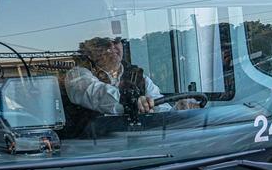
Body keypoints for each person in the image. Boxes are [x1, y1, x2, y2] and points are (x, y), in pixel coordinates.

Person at [64, 36, 199, 117]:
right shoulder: (77, 75)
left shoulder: (139, 77)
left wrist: (177, 110)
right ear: (90, 52)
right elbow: (97, 94)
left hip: (135, 147)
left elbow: (159, 106)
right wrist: (132, 101)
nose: (112, 47)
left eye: (116, 41)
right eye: (105, 43)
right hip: (90, 150)